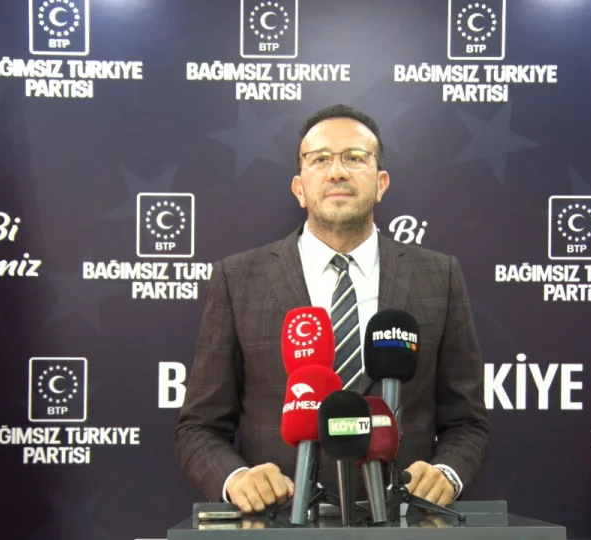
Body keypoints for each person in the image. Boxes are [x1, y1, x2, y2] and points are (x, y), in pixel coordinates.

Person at [173, 104, 490, 514]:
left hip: (403, 521)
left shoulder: (438, 276)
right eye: (320, 159)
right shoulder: (238, 279)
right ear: (299, 188)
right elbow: (199, 427)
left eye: (355, 158)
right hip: (281, 523)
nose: (337, 172)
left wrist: (446, 472)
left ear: (381, 183)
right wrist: (237, 480)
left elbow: (467, 422)